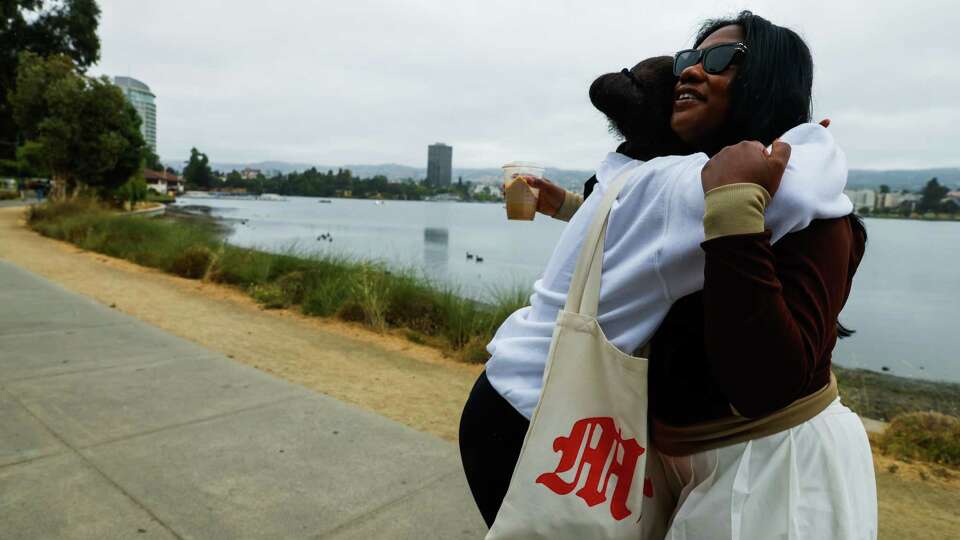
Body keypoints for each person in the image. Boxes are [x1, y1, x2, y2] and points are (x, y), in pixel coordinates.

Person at [459, 11, 876, 539]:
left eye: (724, 59)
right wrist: (789, 158)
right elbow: (663, 219)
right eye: (689, 59)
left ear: (770, 82)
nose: (693, 71)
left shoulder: (788, 211)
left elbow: (763, 379)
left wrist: (786, 157)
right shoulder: (682, 181)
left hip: (772, 466)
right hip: (659, 451)